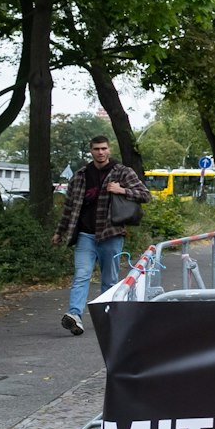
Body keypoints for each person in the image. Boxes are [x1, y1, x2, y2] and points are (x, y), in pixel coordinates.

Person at [53, 135, 150, 335]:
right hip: (85, 235)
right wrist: (60, 232)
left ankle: (108, 319)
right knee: (81, 275)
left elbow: (145, 195)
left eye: (104, 148)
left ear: (109, 149)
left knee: (110, 280)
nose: (100, 152)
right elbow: (69, 207)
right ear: (91, 150)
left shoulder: (122, 172)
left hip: (111, 233)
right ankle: (75, 316)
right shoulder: (80, 175)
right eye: (96, 149)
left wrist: (122, 190)